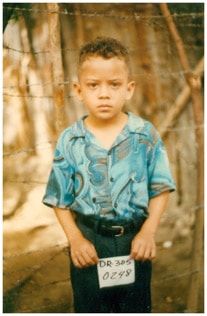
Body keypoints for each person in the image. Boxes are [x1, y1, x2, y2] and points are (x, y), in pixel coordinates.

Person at [42, 36, 176, 313]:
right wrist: (75, 239)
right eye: (94, 85)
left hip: (135, 242)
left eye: (114, 85)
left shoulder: (144, 135)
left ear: (129, 89)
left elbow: (161, 187)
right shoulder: (71, 140)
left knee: (135, 308)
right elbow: (58, 197)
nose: (104, 94)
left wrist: (149, 232)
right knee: (91, 307)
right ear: (79, 90)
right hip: (89, 243)